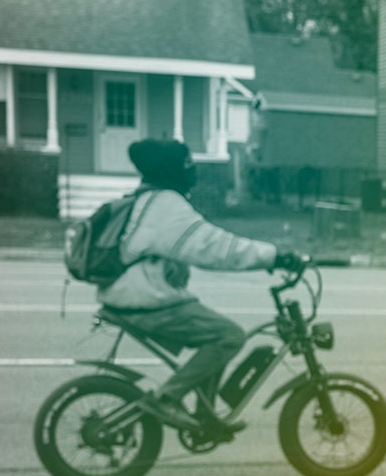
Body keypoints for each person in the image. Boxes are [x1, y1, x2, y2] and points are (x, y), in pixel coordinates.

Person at [99, 138, 297, 441]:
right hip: (143, 299)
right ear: (172, 169)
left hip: (137, 294)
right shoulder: (165, 206)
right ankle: (167, 398)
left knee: (214, 335)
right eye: (188, 164)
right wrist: (275, 255)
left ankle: (205, 415)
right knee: (228, 336)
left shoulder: (150, 200)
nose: (193, 170)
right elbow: (214, 247)